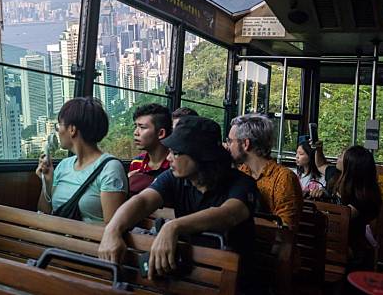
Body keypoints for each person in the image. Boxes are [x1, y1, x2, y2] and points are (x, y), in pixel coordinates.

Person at [98, 115, 259, 293]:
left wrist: (173, 227)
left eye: (176, 152)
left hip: (234, 280)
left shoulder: (242, 184)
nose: (168, 158)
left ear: (200, 155)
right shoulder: (175, 178)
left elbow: (230, 213)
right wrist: (112, 229)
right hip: (188, 272)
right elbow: (143, 201)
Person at [36, 97, 128, 224]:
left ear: (72, 129)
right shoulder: (63, 166)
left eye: (59, 125)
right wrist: (47, 181)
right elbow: (44, 213)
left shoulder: (110, 168)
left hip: (91, 242)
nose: (58, 131)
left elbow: (113, 228)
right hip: (59, 240)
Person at [227, 114, 303, 231]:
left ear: (246, 144)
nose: (227, 146)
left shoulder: (284, 178)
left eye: (230, 141)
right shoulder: (242, 171)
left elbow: (285, 229)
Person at [318, 146, 382, 271]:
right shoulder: (336, 176)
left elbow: (340, 218)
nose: (338, 157)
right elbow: (320, 164)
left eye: (341, 156)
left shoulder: (363, 197)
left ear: (350, 165)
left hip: (352, 252)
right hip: (335, 243)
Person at [128, 104, 172, 196]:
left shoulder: (174, 164)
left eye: (142, 127)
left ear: (161, 133)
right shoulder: (136, 162)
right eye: (135, 126)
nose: (136, 132)